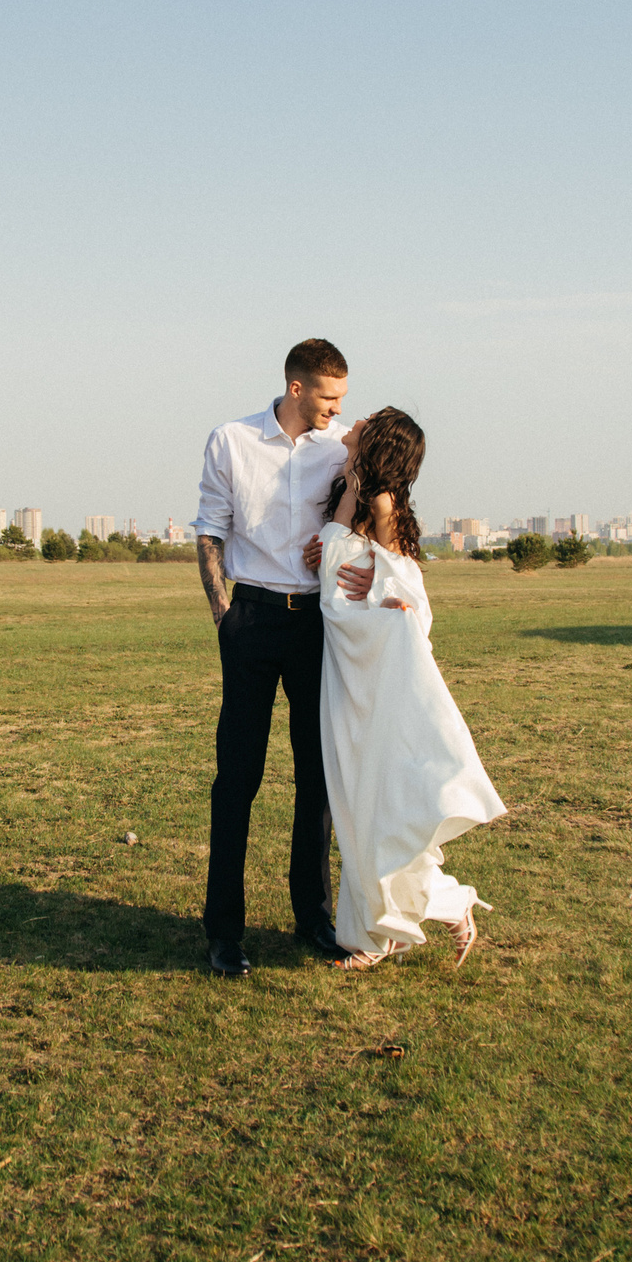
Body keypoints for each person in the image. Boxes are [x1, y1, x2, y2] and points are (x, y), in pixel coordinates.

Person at [194, 337, 375, 977]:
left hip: (319, 626)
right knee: (236, 780)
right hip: (251, 619)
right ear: (297, 388)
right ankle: (224, 933)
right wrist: (226, 619)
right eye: (329, 397)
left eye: (342, 398)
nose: (337, 409)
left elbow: (384, 513)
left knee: (317, 780)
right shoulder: (231, 440)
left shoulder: (346, 444)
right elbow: (210, 529)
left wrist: (359, 561)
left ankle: (314, 920)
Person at [314, 408, 506, 969]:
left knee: (376, 801)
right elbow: (336, 557)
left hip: (372, 667)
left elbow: (408, 587)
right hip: (345, 665)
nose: (355, 417)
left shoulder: (382, 503)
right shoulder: (352, 487)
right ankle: (383, 930)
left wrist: (385, 582)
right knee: (356, 800)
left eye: (367, 419)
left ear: (379, 441)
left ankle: (403, 923)